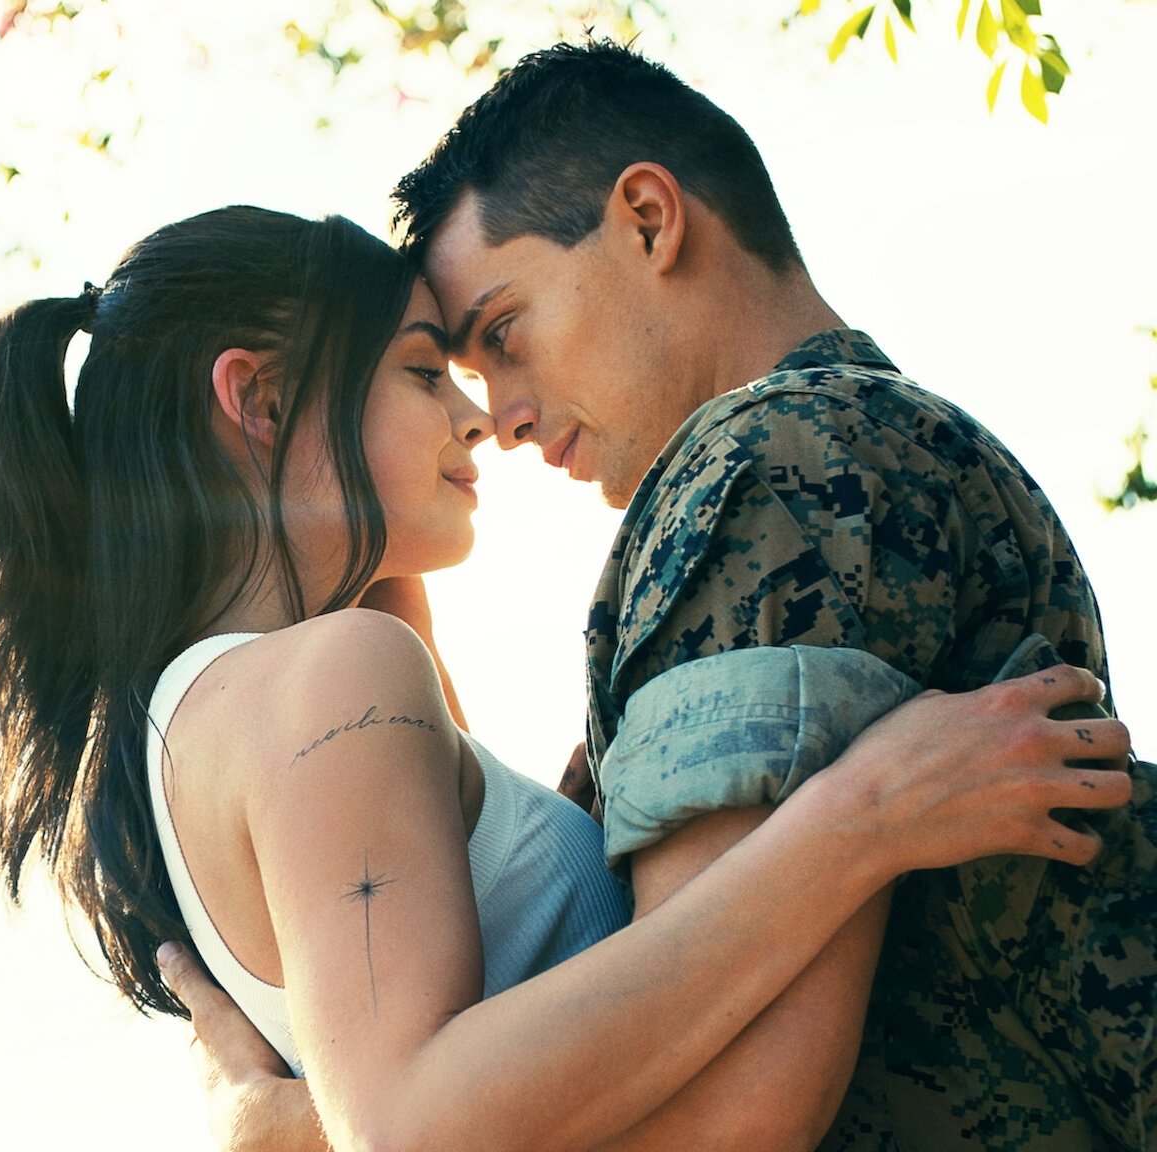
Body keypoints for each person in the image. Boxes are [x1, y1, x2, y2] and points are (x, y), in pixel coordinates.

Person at [0, 204, 1136, 1151]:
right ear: (257, 396)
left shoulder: (197, 720)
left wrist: (287, 1130)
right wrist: (867, 814)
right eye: (421, 370)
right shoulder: (331, 677)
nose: (476, 417)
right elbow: (404, 1123)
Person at [167, 41, 1157, 1152]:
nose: (502, 418)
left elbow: (730, 1109)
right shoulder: (887, 445)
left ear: (647, 219)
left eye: (504, 334)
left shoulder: (763, 468)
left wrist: (298, 1128)